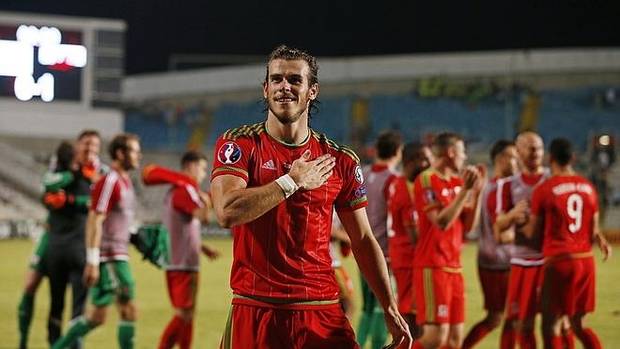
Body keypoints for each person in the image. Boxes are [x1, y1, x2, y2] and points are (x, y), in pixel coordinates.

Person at [210, 45, 411, 349]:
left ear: (312, 90)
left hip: (322, 309)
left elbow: (363, 239)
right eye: (276, 79)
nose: (284, 87)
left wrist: (389, 306)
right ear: (265, 89)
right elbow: (227, 212)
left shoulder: (340, 160)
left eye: (294, 80)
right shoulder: (238, 145)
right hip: (257, 309)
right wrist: (291, 181)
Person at [51, 133, 141, 349]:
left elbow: (117, 222)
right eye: (135, 151)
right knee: (128, 310)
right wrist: (92, 261)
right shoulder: (110, 180)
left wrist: (136, 236)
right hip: (110, 256)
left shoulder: (125, 181)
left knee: (97, 316)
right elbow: (95, 218)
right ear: (120, 153)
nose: (139, 155)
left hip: (118, 253)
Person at [524, 138, 612, 349]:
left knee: (550, 325)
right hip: (585, 262)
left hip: (560, 261)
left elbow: (532, 232)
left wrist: (515, 221)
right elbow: (593, 231)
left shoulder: (544, 189)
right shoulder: (588, 187)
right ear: (573, 158)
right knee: (579, 323)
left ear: (550, 158)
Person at [412, 132, 485, 349]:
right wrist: (465, 192)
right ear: (451, 153)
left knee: (454, 341)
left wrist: (477, 193)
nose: (464, 158)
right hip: (433, 266)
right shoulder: (426, 179)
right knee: (435, 338)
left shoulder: (456, 182)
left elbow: (469, 227)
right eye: (462, 152)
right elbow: (441, 222)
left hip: (454, 268)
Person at [147, 151, 220, 349]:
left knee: (188, 314)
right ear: (190, 166)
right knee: (184, 314)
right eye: (202, 168)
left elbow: (185, 227)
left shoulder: (179, 190)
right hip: (183, 263)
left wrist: (202, 247)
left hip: (179, 260)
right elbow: (202, 217)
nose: (204, 173)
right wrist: (207, 201)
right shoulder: (184, 189)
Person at [17, 140, 82, 349]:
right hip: (51, 239)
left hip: (75, 241)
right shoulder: (62, 170)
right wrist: (66, 180)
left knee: (71, 302)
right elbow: (48, 185)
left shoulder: (89, 173)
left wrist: (69, 198)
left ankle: (68, 343)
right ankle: (23, 342)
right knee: (30, 286)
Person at [45, 130, 104, 348]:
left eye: (94, 145)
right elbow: (47, 192)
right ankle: (53, 343)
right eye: (86, 144)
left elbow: (93, 204)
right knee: (56, 304)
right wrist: (51, 199)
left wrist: (68, 199)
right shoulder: (61, 168)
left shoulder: (99, 173)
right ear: (77, 146)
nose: (89, 149)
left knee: (79, 308)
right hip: (56, 245)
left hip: (82, 246)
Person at [462, 140, 521, 349]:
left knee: (499, 317)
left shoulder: (487, 187)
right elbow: (501, 233)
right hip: (500, 263)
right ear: (501, 159)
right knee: (510, 317)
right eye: (513, 157)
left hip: (489, 260)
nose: (517, 162)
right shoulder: (500, 188)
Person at [494, 131, 549, 349]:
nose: (535, 151)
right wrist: (513, 214)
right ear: (518, 152)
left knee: (558, 324)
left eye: (539, 147)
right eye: (529, 146)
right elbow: (499, 224)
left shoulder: (551, 180)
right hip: (522, 263)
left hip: (549, 261)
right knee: (522, 324)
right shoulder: (507, 185)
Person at [358, 130, 402, 349]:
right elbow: (392, 221)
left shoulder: (363, 174)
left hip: (362, 249)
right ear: (398, 152)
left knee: (367, 307)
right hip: (383, 252)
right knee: (382, 308)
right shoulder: (394, 179)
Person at [386, 142, 432, 338]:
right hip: (408, 258)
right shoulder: (406, 191)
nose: (430, 163)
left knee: (413, 308)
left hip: (403, 254)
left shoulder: (403, 184)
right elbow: (415, 238)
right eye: (425, 159)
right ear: (412, 162)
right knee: (410, 311)